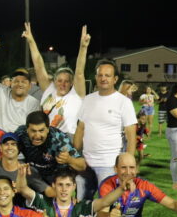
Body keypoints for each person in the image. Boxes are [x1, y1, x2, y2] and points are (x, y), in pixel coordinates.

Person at [74, 59, 137, 198]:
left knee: (107, 209)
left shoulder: (123, 102)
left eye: (107, 75)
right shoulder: (87, 100)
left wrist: (128, 167)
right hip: (86, 164)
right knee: (82, 208)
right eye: (100, 75)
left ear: (115, 79)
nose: (103, 78)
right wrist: (75, 154)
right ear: (96, 77)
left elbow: (131, 136)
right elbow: (81, 128)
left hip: (109, 165)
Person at [25, 23, 88, 137]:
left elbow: (79, 72)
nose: (63, 84)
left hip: (67, 139)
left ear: (71, 83)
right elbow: (39, 65)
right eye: (59, 80)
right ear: (54, 82)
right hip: (45, 137)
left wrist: (83, 47)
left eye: (67, 81)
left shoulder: (76, 94)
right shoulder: (50, 90)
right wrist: (31, 41)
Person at [15, 111, 86, 198]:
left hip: (55, 177)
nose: (37, 136)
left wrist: (69, 160)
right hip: (32, 174)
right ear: (27, 129)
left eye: (41, 131)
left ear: (48, 129)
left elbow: (82, 165)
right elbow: (8, 147)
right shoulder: (21, 133)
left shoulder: (58, 139)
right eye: (33, 131)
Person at [0, 35, 40, 131]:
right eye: (16, 81)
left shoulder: (33, 103)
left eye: (23, 81)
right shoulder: (1, 91)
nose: (19, 84)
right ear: (11, 83)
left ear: (30, 86)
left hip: (20, 143)